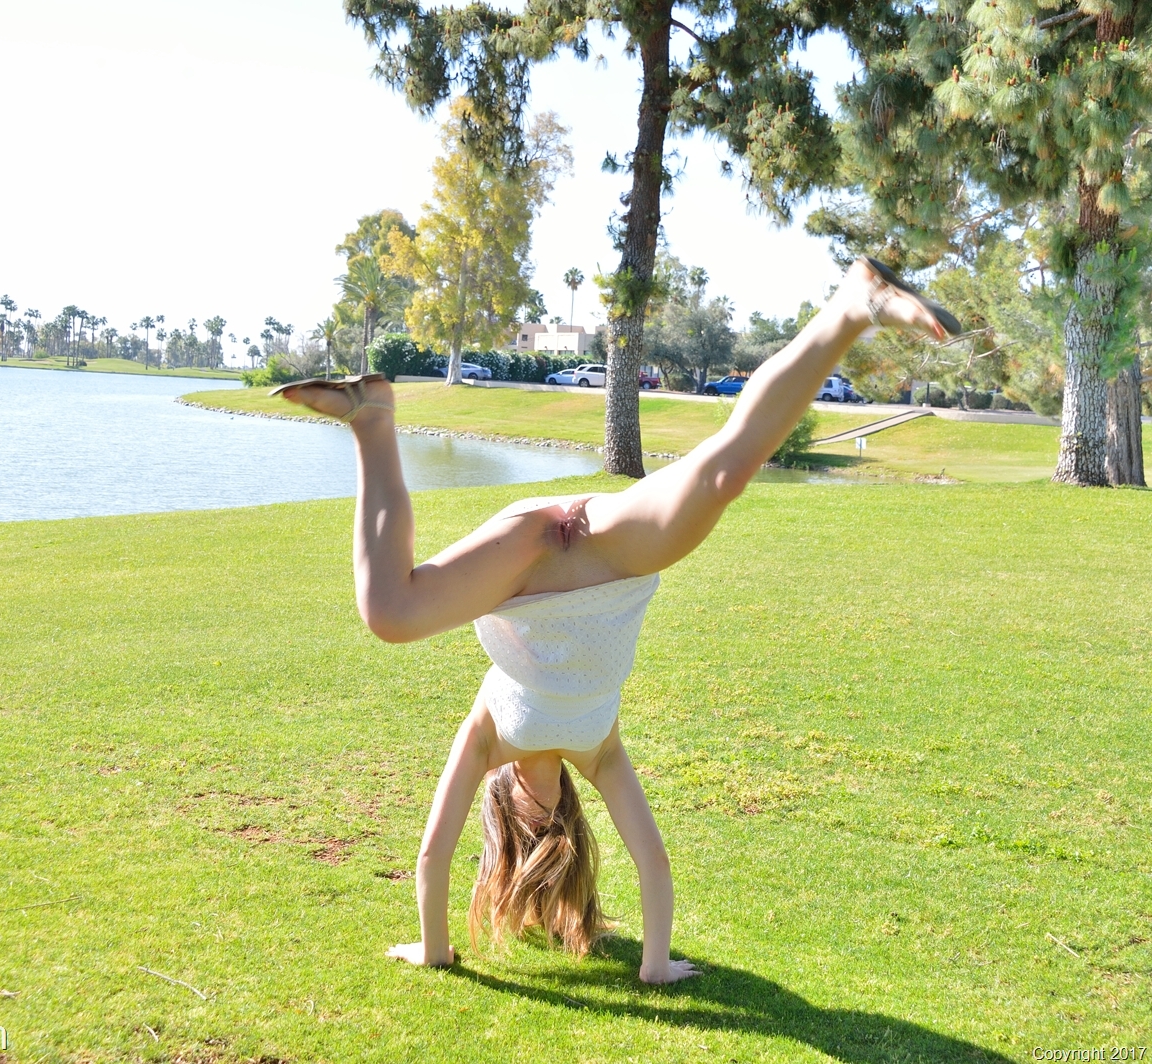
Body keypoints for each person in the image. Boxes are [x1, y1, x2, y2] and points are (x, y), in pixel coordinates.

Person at [273, 258, 959, 984]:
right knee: (725, 472)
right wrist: (656, 965)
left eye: (524, 826)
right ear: (563, 810)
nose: (540, 816)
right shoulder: (599, 753)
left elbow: (433, 855)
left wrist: (435, 948)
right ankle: (853, 306)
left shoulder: (484, 741)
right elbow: (653, 863)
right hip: (606, 562)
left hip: (527, 567)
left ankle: (372, 422)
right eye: (552, 825)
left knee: (388, 612)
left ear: (505, 809)